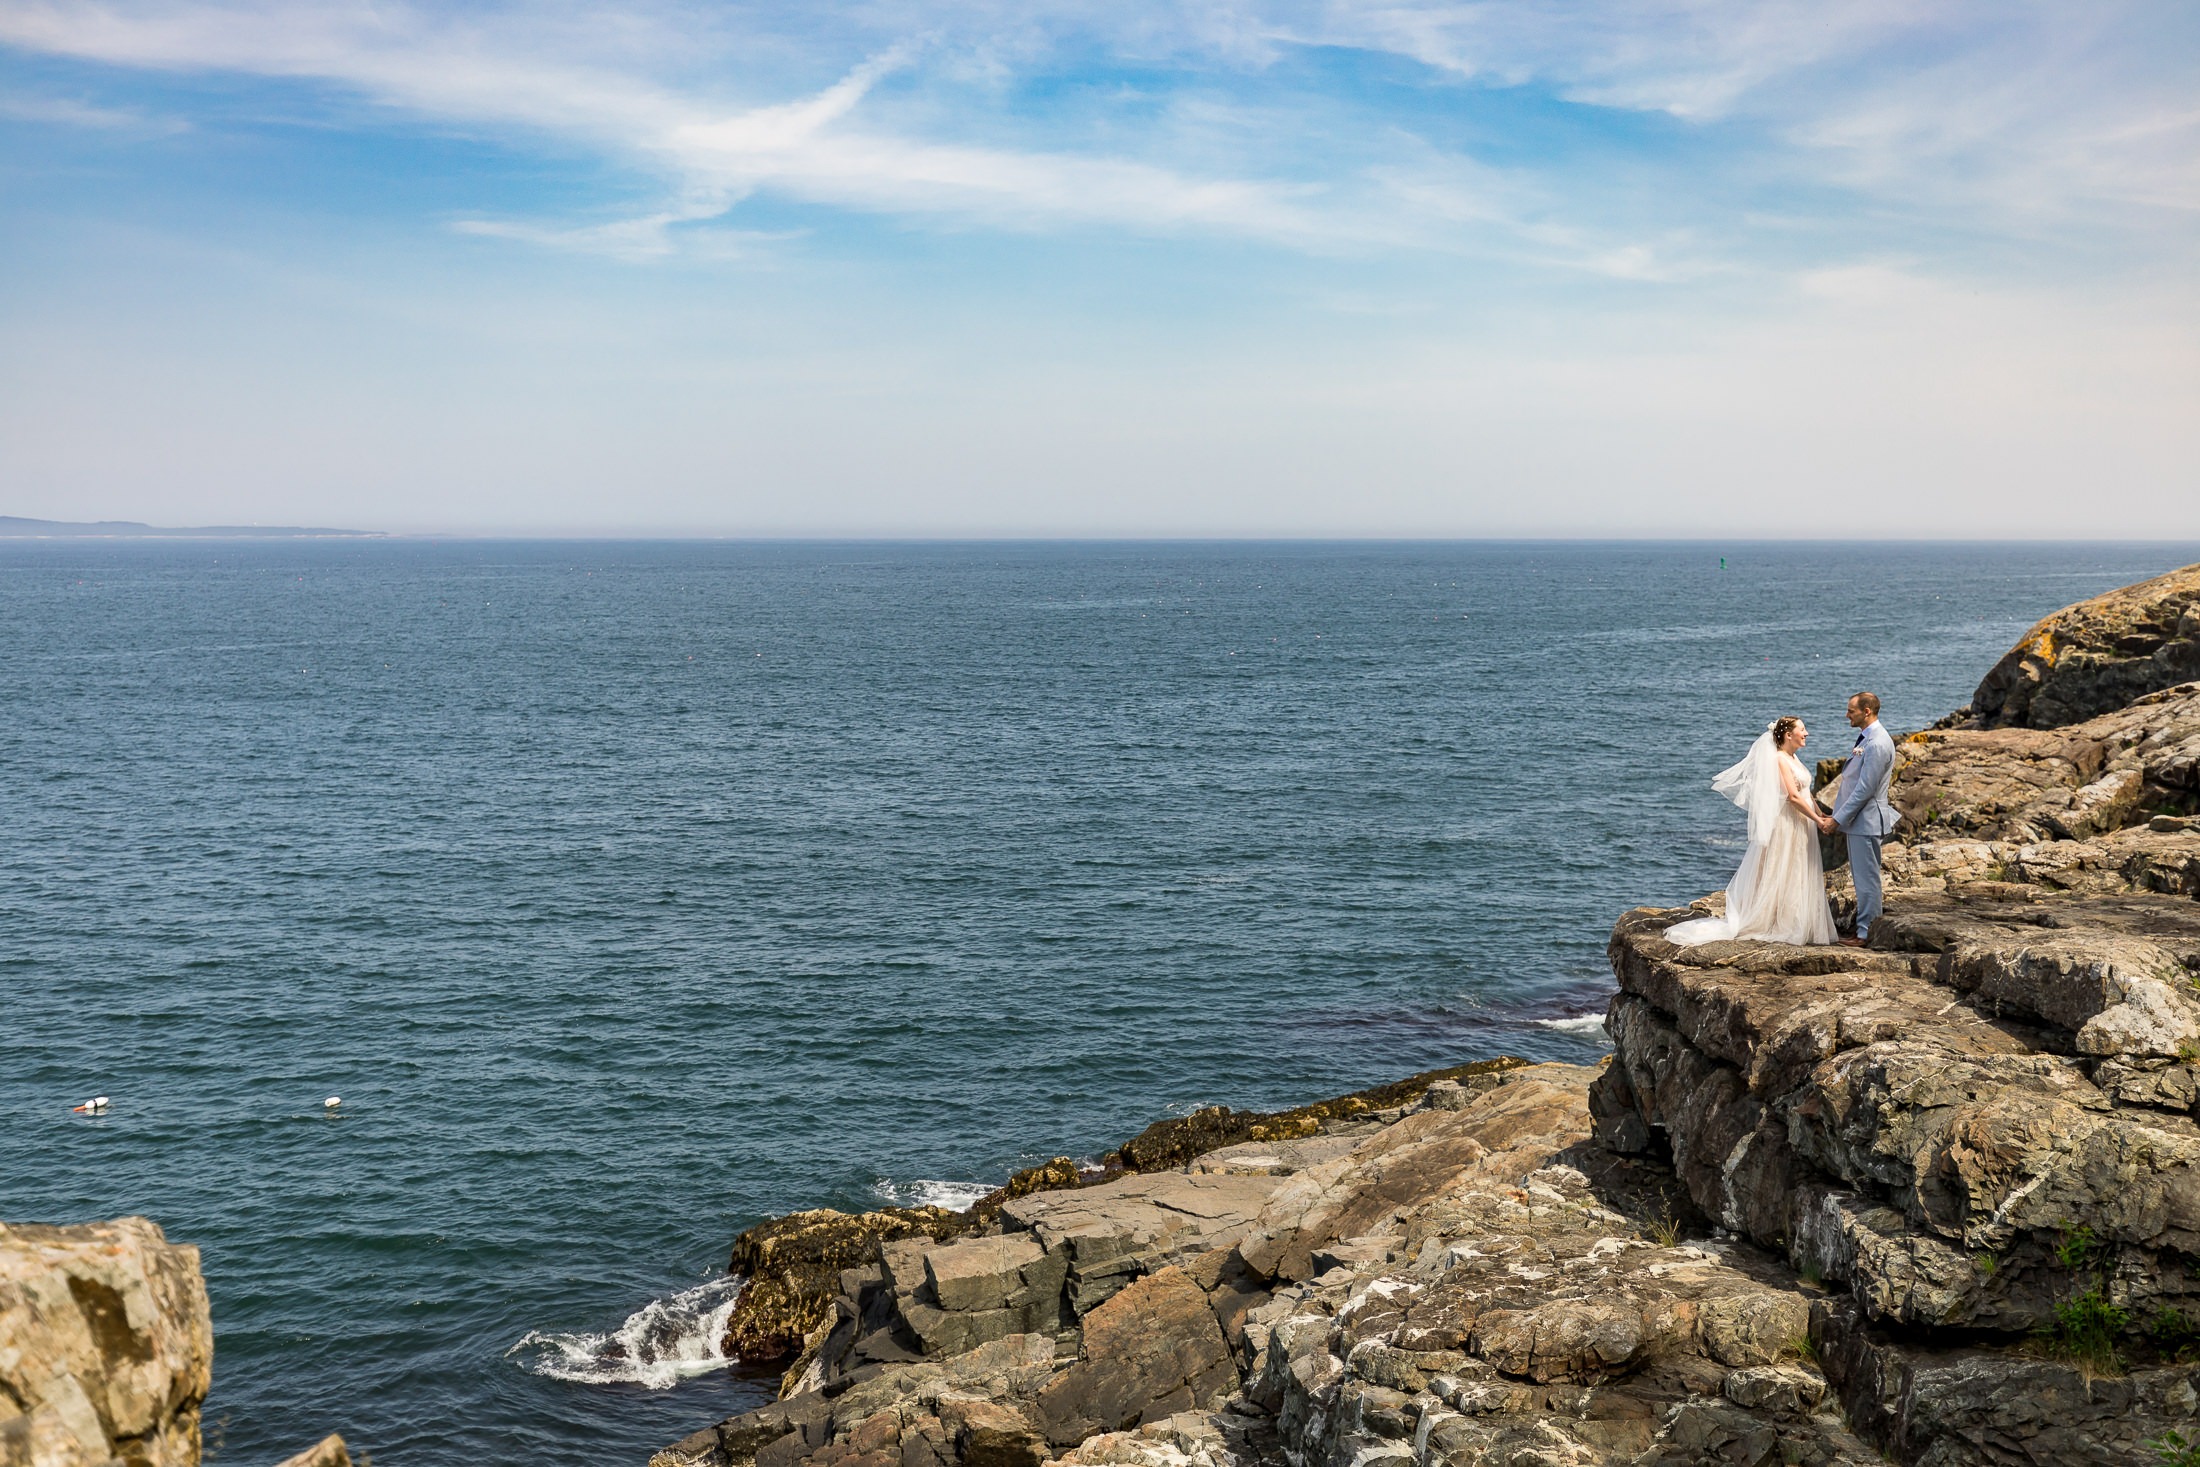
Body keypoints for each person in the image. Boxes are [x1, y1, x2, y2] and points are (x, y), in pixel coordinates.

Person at [1665, 716, 1838, 947]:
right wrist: (1817, 819)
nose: (1807, 734)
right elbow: (1793, 797)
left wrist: (1821, 814)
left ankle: (1799, 920)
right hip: (1789, 823)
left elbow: (1806, 793)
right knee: (1786, 867)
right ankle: (1782, 921)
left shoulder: (1793, 757)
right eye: (1803, 730)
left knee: (1801, 867)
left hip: (1802, 821)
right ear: (1789, 735)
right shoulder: (1779, 759)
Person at [1827, 691, 1900, 947]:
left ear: (1866, 711)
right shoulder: (1870, 738)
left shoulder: (1878, 743)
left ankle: (1866, 933)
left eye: (1851, 710)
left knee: (1867, 879)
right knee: (1863, 877)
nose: (1847, 715)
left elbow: (1865, 789)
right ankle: (1865, 929)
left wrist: (1837, 819)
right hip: (1861, 821)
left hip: (1866, 820)